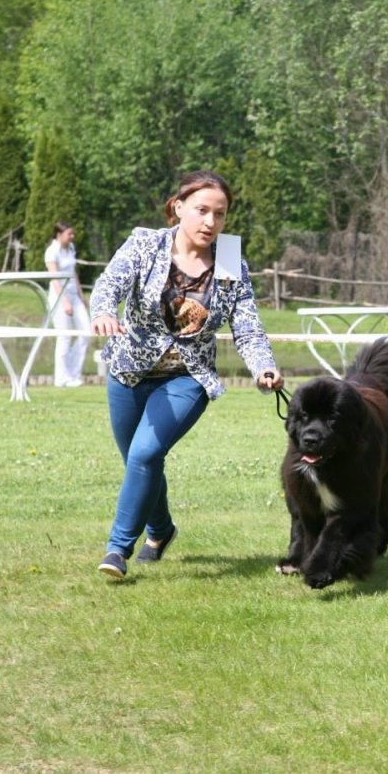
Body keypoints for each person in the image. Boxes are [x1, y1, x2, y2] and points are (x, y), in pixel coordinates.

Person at [90, 170, 283, 579]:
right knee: (140, 462)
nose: (210, 221)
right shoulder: (146, 243)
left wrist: (263, 367)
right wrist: (104, 311)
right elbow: (109, 284)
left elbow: (247, 327)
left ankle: (117, 550)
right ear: (178, 208)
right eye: (201, 210)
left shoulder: (229, 260)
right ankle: (161, 531)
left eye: (220, 213)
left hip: (187, 378)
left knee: (145, 454)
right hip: (128, 372)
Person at [44, 221, 90, 387]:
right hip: (59, 296)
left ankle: (73, 373)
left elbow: (73, 273)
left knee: (86, 332)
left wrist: (81, 295)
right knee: (64, 336)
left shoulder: (71, 248)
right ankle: (62, 378)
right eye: (69, 234)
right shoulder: (51, 252)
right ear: (59, 234)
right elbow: (54, 278)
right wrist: (64, 301)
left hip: (74, 295)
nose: (72, 236)